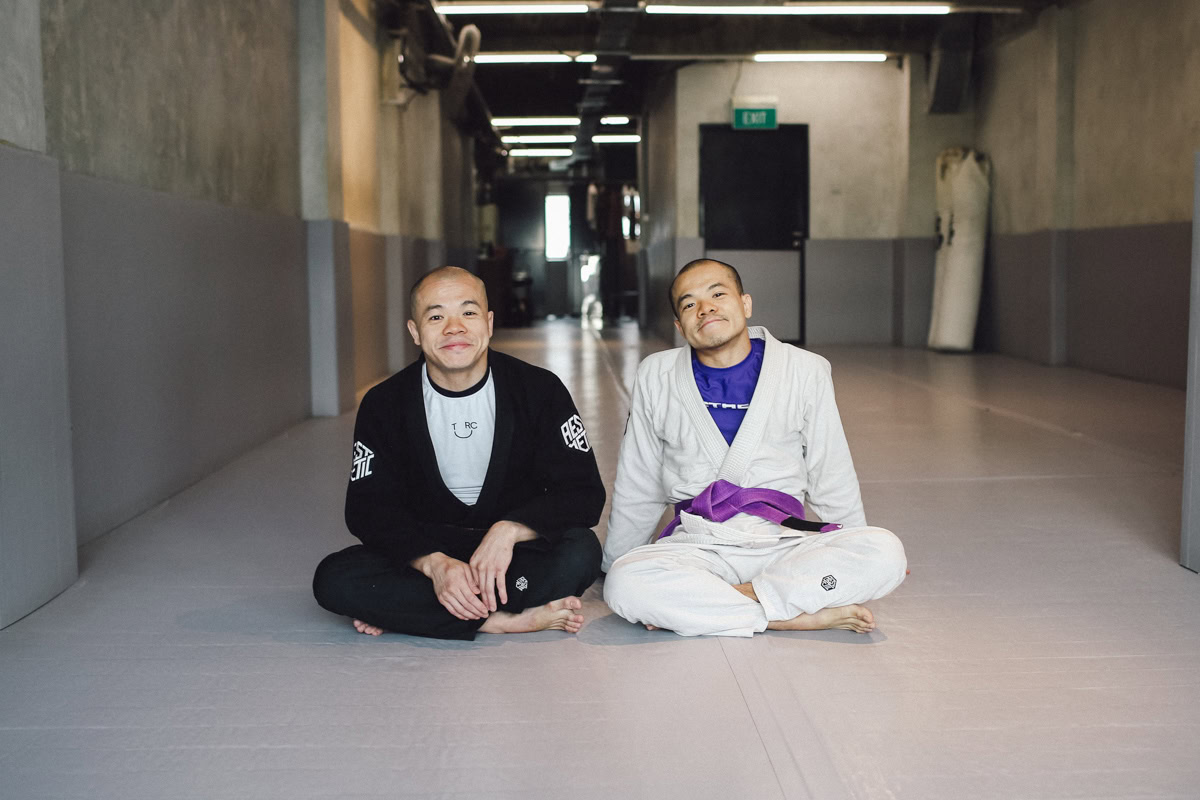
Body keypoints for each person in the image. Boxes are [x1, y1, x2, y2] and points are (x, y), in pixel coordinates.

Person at [602, 259, 907, 637]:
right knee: (624, 583)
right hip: (701, 544)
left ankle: (718, 607)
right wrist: (615, 561)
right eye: (689, 303)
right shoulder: (657, 374)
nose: (706, 308)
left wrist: (852, 543)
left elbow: (831, 471)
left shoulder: (805, 370)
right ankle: (788, 614)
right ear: (680, 327)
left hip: (785, 541)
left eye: (717, 294)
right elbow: (639, 480)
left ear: (745, 304)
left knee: (885, 551)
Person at [313, 267, 606, 640]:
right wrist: (434, 565)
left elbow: (583, 494)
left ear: (488, 322)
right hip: (426, 549)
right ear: (415, 332)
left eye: (468, 313)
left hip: (513, 554)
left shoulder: (539, 390)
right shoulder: (384, 404)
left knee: (580, 552)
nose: (454, 327)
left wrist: (509, 530)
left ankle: (416, 612)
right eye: (436, 316)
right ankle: (498, 619)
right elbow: (367, 509)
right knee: (333, 578)